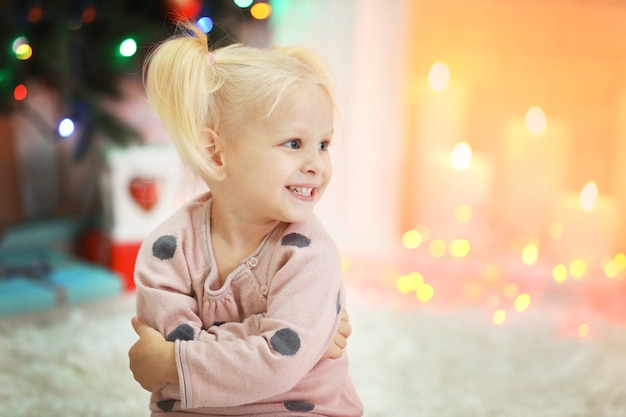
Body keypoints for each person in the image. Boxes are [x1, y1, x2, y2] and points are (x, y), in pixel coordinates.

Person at [127, 21, 363, 416]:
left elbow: (273, 361)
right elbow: (168, 369)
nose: (317, 164)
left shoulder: (310, 254)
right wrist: (282, 337)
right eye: (294, 143)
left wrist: (174, 360)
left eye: (324, 144)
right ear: (217, 153)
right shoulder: (167, 249)